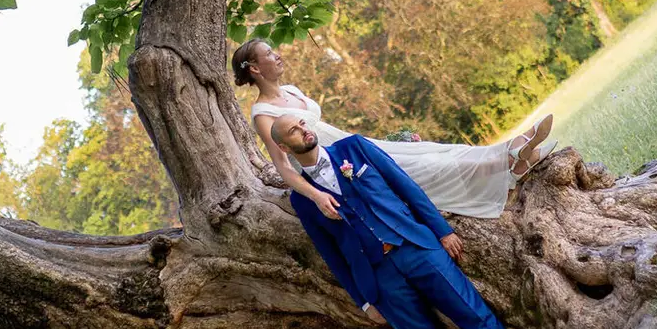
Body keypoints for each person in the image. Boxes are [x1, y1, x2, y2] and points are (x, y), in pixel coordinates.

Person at [270, 111, 564, 329]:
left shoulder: (354, 149)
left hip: (417, 247)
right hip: (380, 279)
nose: (303, 130)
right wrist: (364, 300)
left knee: (475, 316)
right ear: (283, 146)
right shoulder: (302, 199)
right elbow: (331, 255)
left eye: (302, 124)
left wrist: (440, 230)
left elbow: (405, 187)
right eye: (293, 132)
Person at [232, 37, 552, 223]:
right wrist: (317, 196)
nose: (279, 55)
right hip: (342, 164)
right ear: (256, 69)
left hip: (354, 144)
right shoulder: (263, 113)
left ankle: (512, 156)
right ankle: (511, 157)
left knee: (429, 151)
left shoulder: (292, 89)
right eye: (270, 54)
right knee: (423, 167)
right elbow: (284, 167)